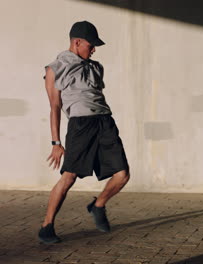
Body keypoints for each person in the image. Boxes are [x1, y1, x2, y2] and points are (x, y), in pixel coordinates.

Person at [38, 21, 130, 244]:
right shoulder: (55, 68)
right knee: (68, 177)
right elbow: (55, 107)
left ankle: (98, 205)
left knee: (122, 175)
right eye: (91, 45)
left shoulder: (97, 67)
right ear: (77, 42)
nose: (94, 49)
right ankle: (46, 226)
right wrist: (56, 142)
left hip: (105, 122)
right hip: (81, 126)